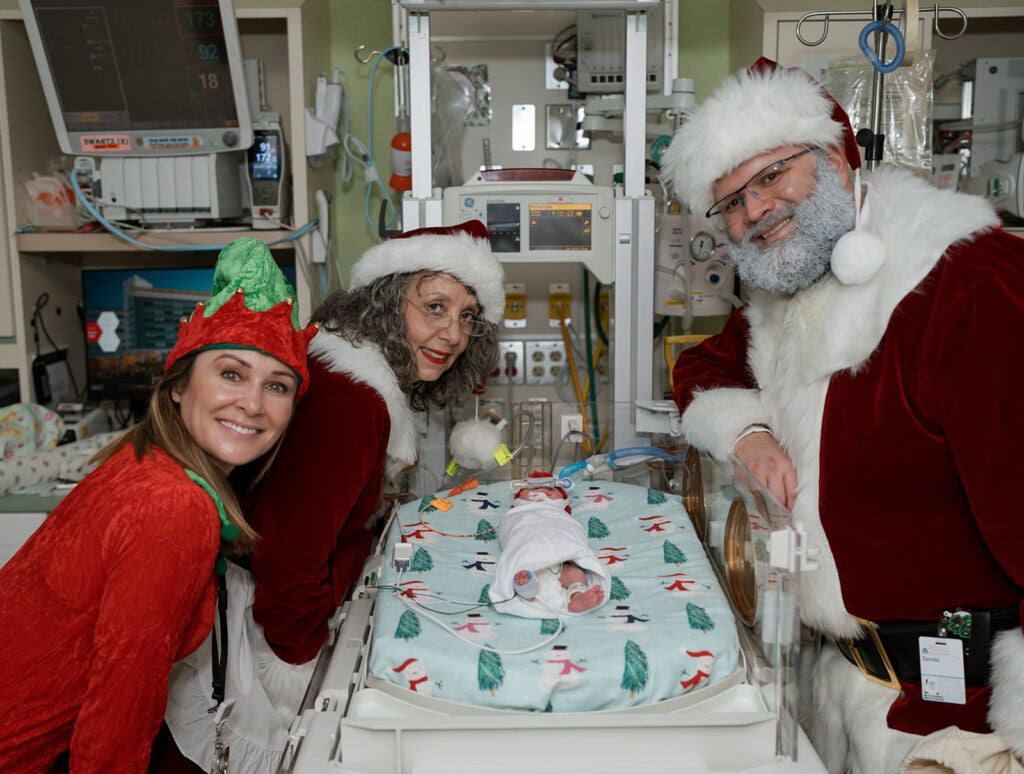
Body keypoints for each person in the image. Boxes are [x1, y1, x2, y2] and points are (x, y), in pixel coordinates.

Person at [662, 58, 1024, 773]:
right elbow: (700, 366)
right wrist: (750, 432)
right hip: (842, 691)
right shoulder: (788, 300)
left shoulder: (968, 289)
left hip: (957, 728)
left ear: (834, 157)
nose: (755, 212)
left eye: (772, 176)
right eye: (730, 201)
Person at [161, 220, 504, 772]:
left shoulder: (339, 372)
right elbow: (291, 554)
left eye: (466, 317)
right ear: (387, 304)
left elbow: (305, 502)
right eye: (434, 307)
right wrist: (300, 662)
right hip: (266, 639)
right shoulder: (355, 403)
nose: (454, 334)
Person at [0, 237, 317, 773]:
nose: (253, 404)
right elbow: (118, 714)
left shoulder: (144, 458)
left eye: (278, 386)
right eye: (231, 373)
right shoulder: (175, 507)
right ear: (178, 385)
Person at [489, 471, 610, 618]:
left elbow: (571, 530)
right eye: (532, 489)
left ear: (562, 501)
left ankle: (577, 596)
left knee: (575, 573)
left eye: (551, 489)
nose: (542, 491)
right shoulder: (517, 514)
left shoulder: (561, 515)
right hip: (529, 547)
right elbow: (512, 532)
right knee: (524, 572)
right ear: (518, 498)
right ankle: (526, 589)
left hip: (563, 561)